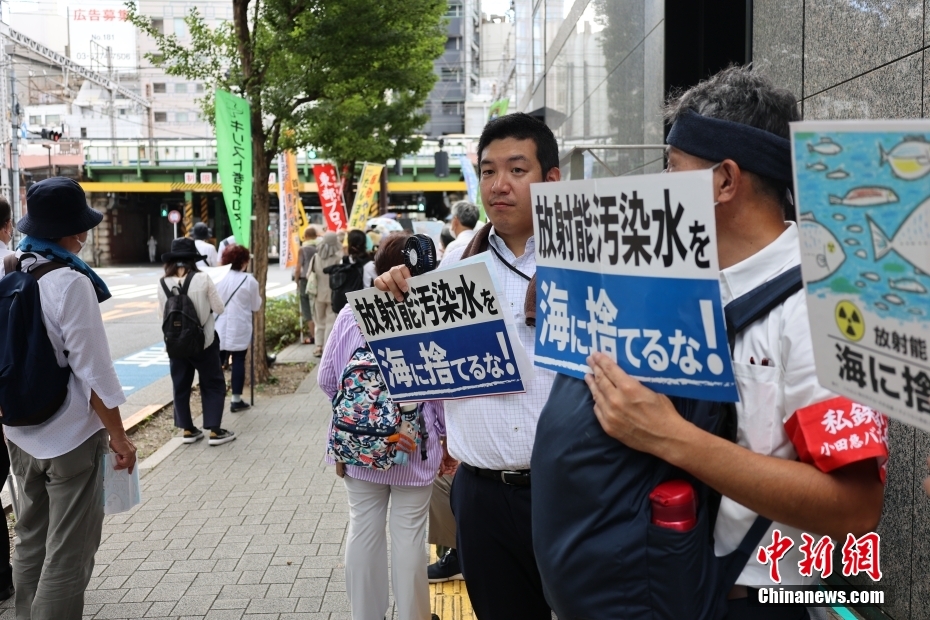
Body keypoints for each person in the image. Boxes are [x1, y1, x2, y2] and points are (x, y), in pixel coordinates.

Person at [531, 66, 886, 619]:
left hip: (755, 600)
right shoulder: (680, 284)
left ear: (724, 180)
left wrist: (670, 437)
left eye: (673, 170)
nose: (660, 186)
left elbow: (856, 506)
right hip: (658, 590)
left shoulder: (827, 306)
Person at [375, 112, 561, 619]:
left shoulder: (588, 260)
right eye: (487, 171)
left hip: (570, 491)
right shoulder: (454, 264)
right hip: (480, 498)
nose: (498, 185)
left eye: (517, 170)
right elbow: (415, 382)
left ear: (552, 180)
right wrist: (399, 304)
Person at [2, 177, 136, 619]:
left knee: (30, 539)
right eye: (82, 227)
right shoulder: (69, 282)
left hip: (20, 430)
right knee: (69, 552)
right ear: (69, 230)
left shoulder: (12, 268)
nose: (85, 234)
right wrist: (119, 437)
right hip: (71, 437)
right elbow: (94, 370)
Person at [318, 231, 445, 620]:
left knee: (362, 529)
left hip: (360, 445)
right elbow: (443, 391)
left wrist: (355, 423)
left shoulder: (353, 313)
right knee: (409, 536)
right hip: (413, 445)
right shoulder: (433, 314)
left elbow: (328, 379)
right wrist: (447, 441)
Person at [158, 237, 235, 446]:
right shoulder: (203, 279)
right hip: (204, 341)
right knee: (212, 382)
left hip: (175, 344)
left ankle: (188, 430)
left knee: (181, 384)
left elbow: (161, 315)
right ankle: (214, 430)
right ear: (193, 259)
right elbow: (219, 308)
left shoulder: (163, 283)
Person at [216, 244, 263, 413]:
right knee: (238, 361)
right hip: (240, 325)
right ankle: (236, 399)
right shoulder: (249, 280)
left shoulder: (218, 277)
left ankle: (217, 397)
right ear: (244, 261)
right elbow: (256, 305)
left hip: (219, 326)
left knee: (217, 363)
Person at [310, 232, 342, 357]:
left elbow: (309, 275)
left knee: (319, 321)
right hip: (333, 294)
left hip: (318, 293)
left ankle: (318, 346)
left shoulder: (315, 257)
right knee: (330, 321)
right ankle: (327, 348)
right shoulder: (338, 258)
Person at [296, 226, 318, 344]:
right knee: (316, 307)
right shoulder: (320, 247)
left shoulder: (302, 249)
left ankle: (313, 335)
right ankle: (320, 337)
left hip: (305, 280)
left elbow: (298, 267)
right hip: (318, 279)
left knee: (306, 307)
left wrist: (296, 280)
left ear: (306, 236)